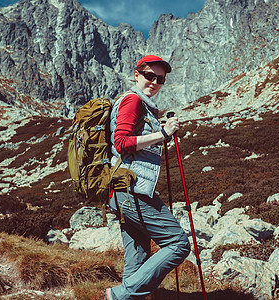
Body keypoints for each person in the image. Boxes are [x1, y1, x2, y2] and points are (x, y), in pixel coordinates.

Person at [105, 55, 191, 300]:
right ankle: (120, 295)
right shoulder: (133, 100)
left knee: (138, 254)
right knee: (178, 244)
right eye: (149, 75)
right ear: (136, 75)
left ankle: (125, 296)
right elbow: (121, 143)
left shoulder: (142, 103)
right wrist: (162, 133)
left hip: (122, 191)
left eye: (160, 79)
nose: (154, 81)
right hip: (133, 191)